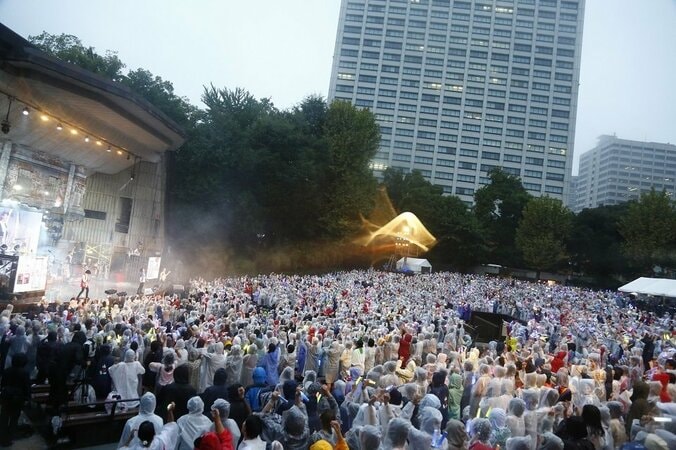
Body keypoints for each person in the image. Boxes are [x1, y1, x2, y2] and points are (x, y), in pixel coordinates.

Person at [0, 352, 30, 447]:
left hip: (6, 397)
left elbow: (2, 384)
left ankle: (2, 437)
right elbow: (26, 387)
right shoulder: (24, 373)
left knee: (4, 418)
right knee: (14, 419)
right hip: (17, 399)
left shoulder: (7, 370)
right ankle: (9, 439)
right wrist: (27, 398)